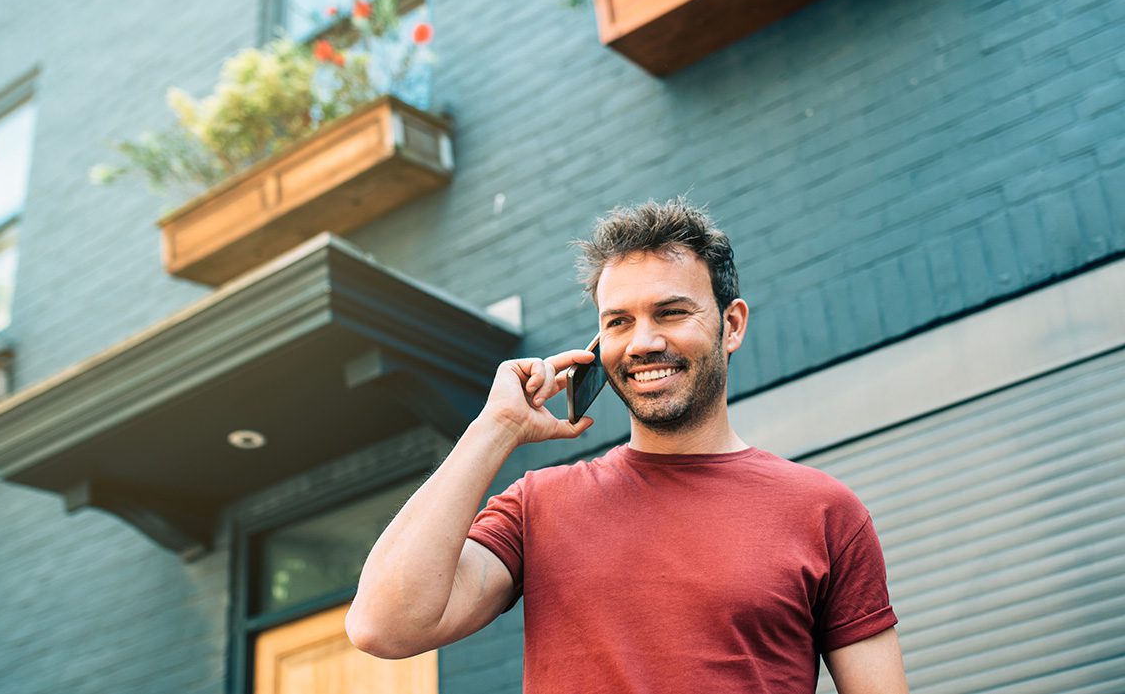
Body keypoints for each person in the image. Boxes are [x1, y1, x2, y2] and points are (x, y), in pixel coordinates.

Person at [346, 198, 909, 694]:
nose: (644, 342)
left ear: (730, 325)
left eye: (672, 312)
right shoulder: (539, 506)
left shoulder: (825, 513)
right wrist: (495, 428)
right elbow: (382, 624)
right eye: (618, 322)